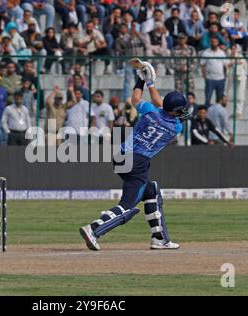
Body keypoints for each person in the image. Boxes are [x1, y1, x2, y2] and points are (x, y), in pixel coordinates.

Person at [79, 60, 188, 251]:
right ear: (174, 111)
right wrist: (151, 83)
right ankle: (94, 229)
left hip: (120, 156)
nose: (183, 113)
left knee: (151, 190)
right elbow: (160, 103)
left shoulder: (150, 112)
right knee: (127, 206)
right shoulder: (176, 127)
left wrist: (142, 81)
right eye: (180, 110)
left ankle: (159, 238)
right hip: (137, 162)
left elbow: (137, 99)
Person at [201, 36, 228, 107]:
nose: (214, 43)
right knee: (208, 98)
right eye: (212, 42)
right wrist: (205, 77)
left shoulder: (221, 53)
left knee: (219, 100)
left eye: (215, 42)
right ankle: (206, 114)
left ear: (218, 43)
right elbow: (203, 65)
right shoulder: (206, 52)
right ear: (210, 42)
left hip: (220, 79)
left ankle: (218, 115)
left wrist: (225, 77)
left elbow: (225, 66)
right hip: (210, 79)